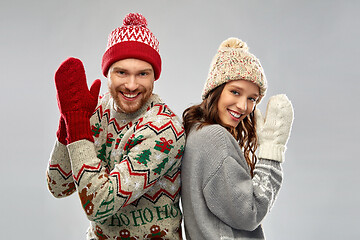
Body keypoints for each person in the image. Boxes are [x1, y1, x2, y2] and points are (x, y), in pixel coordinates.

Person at [46, 13, 185, 240]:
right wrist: (67, 125)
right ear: (107, 72)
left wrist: (79, 128)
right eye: (121, 72)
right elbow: (58, 186)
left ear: (154, 77)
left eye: (142, 74)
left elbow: (99, 205)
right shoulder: (95, 110)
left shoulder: (164, 129)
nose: (131, 85)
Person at [181, 37, 294, 239]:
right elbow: (249, 213)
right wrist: (271, 152)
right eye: (235, 92)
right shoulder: (214, 138)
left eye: (252, 98)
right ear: (215, 90)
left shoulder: (196, 131)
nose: (243, 106)